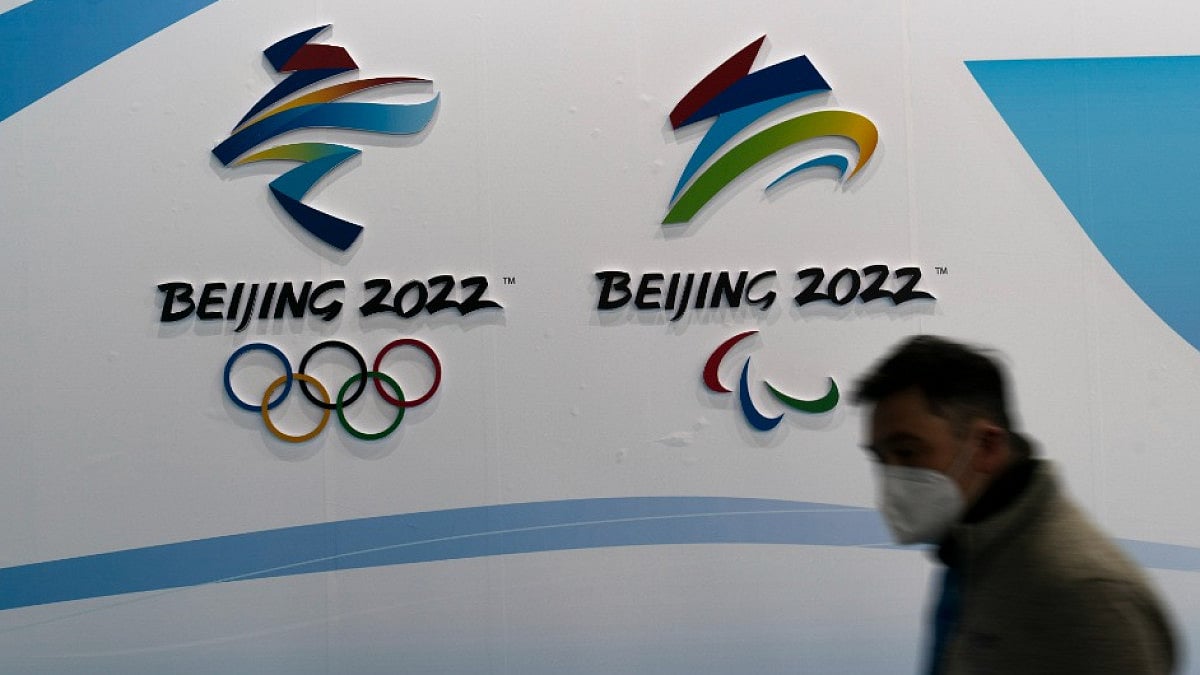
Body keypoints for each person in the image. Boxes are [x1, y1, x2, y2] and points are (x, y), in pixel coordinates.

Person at [854, 335, 1177, 674]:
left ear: (987, 446)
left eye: (907, 452)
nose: (892, 478)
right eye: (880, 458)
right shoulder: (970, 554)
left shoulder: (1090, 592)